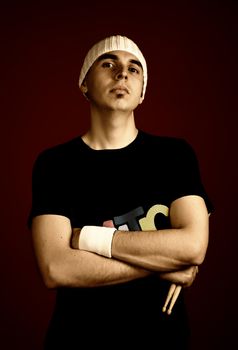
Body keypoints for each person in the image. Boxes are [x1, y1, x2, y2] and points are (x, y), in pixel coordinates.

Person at [28, 34, 213, 349]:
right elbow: (55, 267)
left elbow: (194, 246)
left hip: (163, 340)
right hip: (77, 338)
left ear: (142, 92)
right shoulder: (55, 164)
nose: (122, 74)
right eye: (108, 63)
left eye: (134, 68)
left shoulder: (175, 156)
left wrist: (86, 239)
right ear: (84, 83)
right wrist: (168, 262)